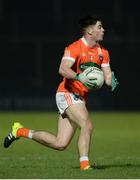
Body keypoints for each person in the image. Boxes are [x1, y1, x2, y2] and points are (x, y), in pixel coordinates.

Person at [4, 15, 118, 170]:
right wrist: (79, 77)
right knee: (87, 125)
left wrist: (112, 80)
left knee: (60, 143)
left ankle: (20, 131)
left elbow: (107, 79)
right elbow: (62, 69)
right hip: (67, 93)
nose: (103, 30)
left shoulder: (103, 52)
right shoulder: (75, 48)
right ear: (90, 31)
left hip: (80, 98)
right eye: (99, 27)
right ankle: (85, 165)